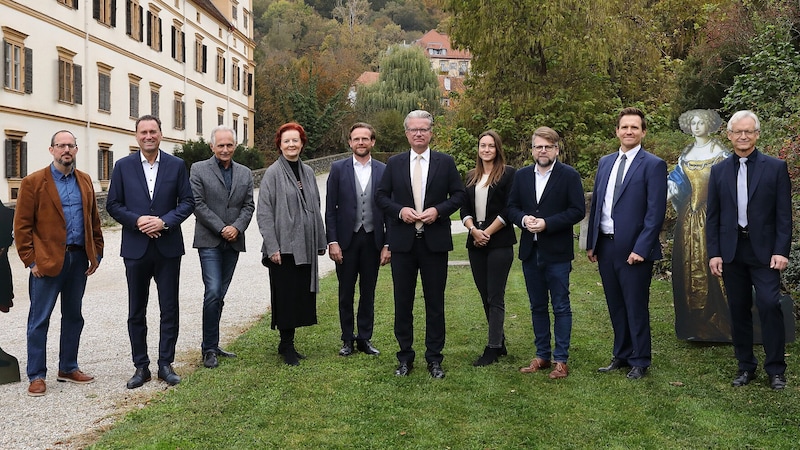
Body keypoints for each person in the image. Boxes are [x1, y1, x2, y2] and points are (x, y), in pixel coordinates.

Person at [375, 110, 467, 379]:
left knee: (435, 303)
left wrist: (438, 210)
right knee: (402, 302)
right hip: (402, 243)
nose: (418, 133)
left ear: (431, 133)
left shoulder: (445, 162)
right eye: (414, 129)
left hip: (434, 243)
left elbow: (459, 194)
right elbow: (381, 197)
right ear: (406, 133)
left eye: (423, 129)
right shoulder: (394, 163)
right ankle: (405, 358)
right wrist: (399, 211)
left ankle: (434, 358)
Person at [106, 115, 195, 389]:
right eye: (143, 132)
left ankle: (165, 364)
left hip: (167, 248)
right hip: (136, 248)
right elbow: (113, 204)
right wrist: (138, 221)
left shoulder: (177, 165)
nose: (148, 136)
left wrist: (164, 221)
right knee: (136, 310)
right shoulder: (122, 167)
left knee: (169, 308)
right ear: (136, 136)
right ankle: (141, 366)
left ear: (161, 134)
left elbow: (188, 201)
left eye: (153, 131)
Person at [13, 130, 104, 396]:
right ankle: (37, 375)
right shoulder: (33, 182)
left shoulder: (85, 181)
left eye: (70, 146)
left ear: (76, 150)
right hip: (47, 262)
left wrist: (96, 252)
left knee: (74, 316)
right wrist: (31, 261)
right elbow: (22, 227)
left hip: (78, 260)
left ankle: (68, 367)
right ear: (52, 149)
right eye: (61, 145)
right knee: (39, 319)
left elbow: (94, 220)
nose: (66, 150)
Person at [706, 110, 792, 390]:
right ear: (729, 136)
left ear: (757, 134)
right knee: (738, 309)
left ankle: (776, 369)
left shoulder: (775, 168)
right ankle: (745, 367)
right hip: (732, 251)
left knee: (769, 304)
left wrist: (781, 250)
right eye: (737, 132)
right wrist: (714, 252)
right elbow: (714, 217)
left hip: (765, 252)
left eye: (748, 131)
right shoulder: (718, 171)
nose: (743, 136)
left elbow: (783, 215)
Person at [586, 107, 667, 380]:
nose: (629, 131)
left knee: (635, 305)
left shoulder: (653, 165)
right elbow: (597, 204)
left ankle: (640, 359)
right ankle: (621, 354)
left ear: (643, 132)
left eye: (634, 127)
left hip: (634, 249)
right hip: (606, 246)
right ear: (617, 131)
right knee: (615, 304)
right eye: (624, 127)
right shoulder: (605, 162)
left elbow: (655, 213)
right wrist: (592, 242)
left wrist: (641, 249)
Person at [508, 127, 585, 378]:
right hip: (531, 251)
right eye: (538, 146)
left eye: (548, 146)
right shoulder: (521, 176)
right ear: (532, 150)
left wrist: (547, 223)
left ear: (556, 150)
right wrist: (523, 219)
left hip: (558, 252)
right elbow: (511, 208)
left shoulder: (569, 176)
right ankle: (541, 355)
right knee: (537, 305)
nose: (543, 150)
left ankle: (560, 360)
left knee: (561, 305)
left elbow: (577, 211)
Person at [257, 122, 326, 366]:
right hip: (283, 248)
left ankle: (288, 341)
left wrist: (320, 240)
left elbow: (315, 206)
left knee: (299, 296)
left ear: (302, 143)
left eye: (295, 140)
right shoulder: (273, 174)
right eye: (286, 141)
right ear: (280, 144)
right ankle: (286, 345)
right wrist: (272, 246)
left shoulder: (307, 172)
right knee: (285, 296)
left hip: (304, 245)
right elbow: (264, 213)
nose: (291, 145)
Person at [190, 126, 255, 369]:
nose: (225, 149)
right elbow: (197, 203)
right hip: (209, 240)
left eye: (229, 145)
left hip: (234, 240)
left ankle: (213, 344)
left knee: (220, 294)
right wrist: (222, 228)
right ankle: (208, 348)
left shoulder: (245, 173)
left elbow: (249, 205)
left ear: (235, 147)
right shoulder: (198, 169)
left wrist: (236, 228)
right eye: (221, 145)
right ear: (212, 146)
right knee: (214, 291)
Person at [326, 122, 390, 357]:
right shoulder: (338, 169)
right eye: (356, 139)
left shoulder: (384, 170)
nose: (361, 142)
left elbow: (390, 211)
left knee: (368, 291)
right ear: (350, 143)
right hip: (346, 241)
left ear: (372, 142)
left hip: (373, 239)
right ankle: (346, 339)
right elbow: (330, 209)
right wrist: (332, 241)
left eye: (365, 138)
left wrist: (387, 244)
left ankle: (364, 338)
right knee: (345, 291)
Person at [668, 109, 731, 342]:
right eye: (693, 123)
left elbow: (728, 185)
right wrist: (669, 188)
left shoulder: (720, 153)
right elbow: (678, 180)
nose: (697, 126)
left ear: (709, 125)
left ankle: (719, 319)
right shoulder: (686, 154)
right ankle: (694, 321)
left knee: (710, 262)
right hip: (688, 219)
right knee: (688, 264)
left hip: (711, 217)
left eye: (701, 122)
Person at [460, 130, 517, 367]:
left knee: (495, 295)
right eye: (482, 145)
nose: (486, 150)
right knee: (485, 294)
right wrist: (473, 230)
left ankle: (492, 348)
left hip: (499, 242)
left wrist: (487, 233)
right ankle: (500, 341)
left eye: (491, 146)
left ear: (498, 149)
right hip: (476, 242)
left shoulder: (508, 174)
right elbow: (464, 209)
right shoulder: (471, 176)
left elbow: (510, 208)